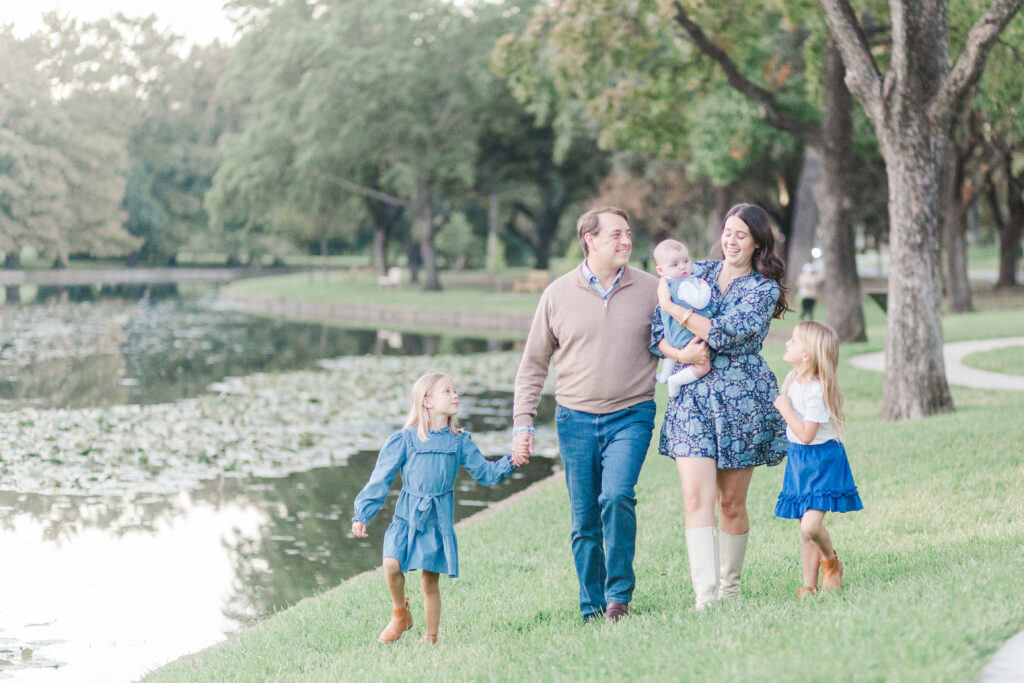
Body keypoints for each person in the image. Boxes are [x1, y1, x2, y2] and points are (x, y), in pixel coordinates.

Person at [512, 206, 659, 623]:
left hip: (631, 414)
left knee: (616, 496)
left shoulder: (652, 289)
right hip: (574, 419)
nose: (626, 241)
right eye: (616, 234)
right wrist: (522, 424)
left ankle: (618, 598)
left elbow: (680, 333)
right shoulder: (557, 294)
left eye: (628, 234)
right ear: (589, 239)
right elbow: (533, 364)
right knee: (584, 518)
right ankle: (591, 605)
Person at [652, 203, 788, 610]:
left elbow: (725, 333)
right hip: (692, 397)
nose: (730, 240)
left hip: (740, 400)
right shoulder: (699, 271)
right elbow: (656, 331)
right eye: (727, 232)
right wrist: (680, 354)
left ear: (758, 242)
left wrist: (674, 307)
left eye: (741, 235)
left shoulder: (763, 289)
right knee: (696, 499)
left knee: (730, 502)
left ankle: (730, 590)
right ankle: (706, 598)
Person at [351, 372, 517, 644]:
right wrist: (363, 514)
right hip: (406, 516)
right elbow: (380, 478)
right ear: (426, 401)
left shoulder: (459, 441)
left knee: (430, 582)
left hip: (437, 520)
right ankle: (399, 614)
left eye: (455, 391)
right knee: (391, 565)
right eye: (447, 391)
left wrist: (513, 461)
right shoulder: (405, 439)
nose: (455, 395)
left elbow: (485, 473)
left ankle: (431, 637)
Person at [773, 321, 863, 597]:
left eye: (794, 340)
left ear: (807, 355)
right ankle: (808, 587)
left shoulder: (815, 389)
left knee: (811, 525)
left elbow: (807, 434)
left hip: (822, 460)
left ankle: (831, 563)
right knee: (804, 529)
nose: (787, 342)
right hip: (800, 460)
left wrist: (784, 409)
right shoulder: (792, 380)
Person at [652, 239, 715, 398]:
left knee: (670, 356)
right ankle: (675, 381)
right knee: (703, 367)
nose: (682, 267)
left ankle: (664, 375)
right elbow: (701, 302)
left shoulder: (667, 284)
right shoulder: (684, 285)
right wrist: (704, 286)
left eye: (686, 261)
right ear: (660, 269)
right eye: (675, 265)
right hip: (687, 336)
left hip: (671, 335)